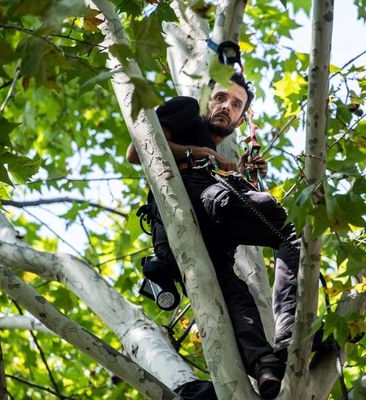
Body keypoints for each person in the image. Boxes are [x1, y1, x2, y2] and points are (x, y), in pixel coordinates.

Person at [127, 73, 299, 399]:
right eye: (221, 97)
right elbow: (138, 150)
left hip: (206, 237)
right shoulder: (187, 109)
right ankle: (290, 331)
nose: (226, 107)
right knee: (290, 229)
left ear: (240, 119)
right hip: (189, 205)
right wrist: (199, 154)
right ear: (207, 98)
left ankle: (264, 365)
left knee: (235, 295)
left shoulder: (217, 152)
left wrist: (240, 172)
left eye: (236, 105)